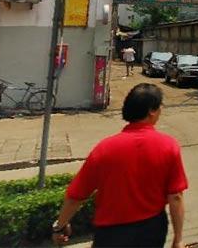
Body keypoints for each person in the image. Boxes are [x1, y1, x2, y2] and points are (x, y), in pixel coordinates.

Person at [51, 84, 188, 248]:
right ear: (151, 111)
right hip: (151, 230)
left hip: (111, 234)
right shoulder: (168, 146)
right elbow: (176, 197)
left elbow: (76, 195)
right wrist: (178, 239)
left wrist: (60, 226)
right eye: (159, 107)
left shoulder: (105, 148)